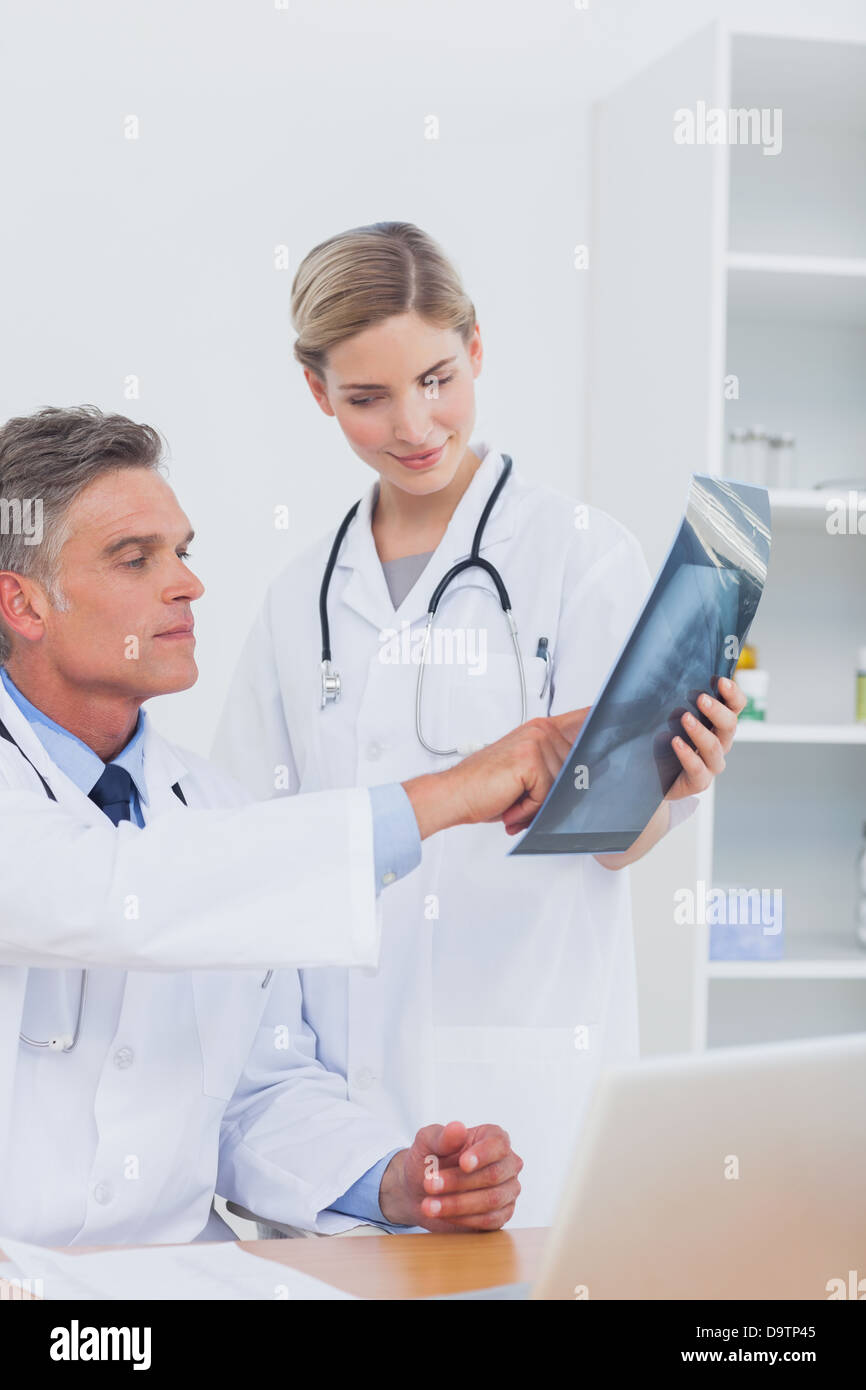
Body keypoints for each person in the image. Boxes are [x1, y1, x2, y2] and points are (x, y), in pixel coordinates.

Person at [213, 221, 746, 1227]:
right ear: (316, 391)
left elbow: (615, 842)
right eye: (366, 398)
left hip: (526, 1105)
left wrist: (669, 782)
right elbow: (252, 858)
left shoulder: (580, 555)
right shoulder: (297, 601)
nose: (414, 425)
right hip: (339, 1123)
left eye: (437, 378)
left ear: (477, 348)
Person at [0, 405, 585, 1246]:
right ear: (23, 604)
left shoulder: (215, 809)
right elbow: (122, 889)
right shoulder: (189, 845)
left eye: (183, 552)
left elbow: (256, 1090)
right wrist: (456, 791)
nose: (187, 583)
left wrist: (391, 1182)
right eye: (136, 559)